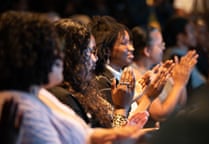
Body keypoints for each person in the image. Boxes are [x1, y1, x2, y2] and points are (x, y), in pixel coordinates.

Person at [0, 11, 147, 144]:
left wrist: (122, 130)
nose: (57, 56)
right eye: (51, 49)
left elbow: (88, 134)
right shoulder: (54, 96)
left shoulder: (42, 93)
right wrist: (124, 107)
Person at [149, 0, 209, 143]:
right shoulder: (175, 58)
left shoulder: (192, 55)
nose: (196, 35)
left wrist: (181, 83)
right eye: (191, 31)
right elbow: (164, 111)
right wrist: (180, 84)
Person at [45, 18, 148, 128]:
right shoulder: (63, 97)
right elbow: (114, 136)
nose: (95, 58)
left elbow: (114, 128)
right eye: (91, 52)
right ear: (74, 56)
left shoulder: (86, 89)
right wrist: (121, 108)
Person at [90, 16, 173, 117]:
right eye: (123, 43)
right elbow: (118, 125)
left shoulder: (122, 74)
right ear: (107, 50)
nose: (131, 48)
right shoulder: (103, 82)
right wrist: (148, 97)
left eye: (130, 42)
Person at [131, 25, 198, 123]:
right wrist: (178, 85)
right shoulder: (136, 75)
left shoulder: (160, 66)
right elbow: (159, 114)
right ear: (147, 51)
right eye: (160, 45)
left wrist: (181, 81)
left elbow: (181, 103)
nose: (163, 48)